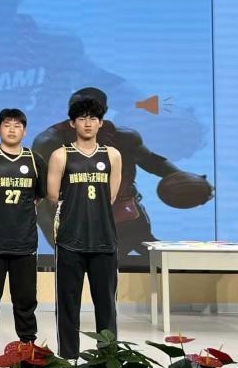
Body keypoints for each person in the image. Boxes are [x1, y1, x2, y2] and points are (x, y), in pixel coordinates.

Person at [33, 87, 212, 262]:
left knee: (152, 257)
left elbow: (151, 161)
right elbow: (39, 195)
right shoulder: (50, 141)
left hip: (125, 214)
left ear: (104, 110)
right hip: (78, 219)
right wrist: (56, 240)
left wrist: (194, 182)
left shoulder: (124, 137)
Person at [46, 96, 123, 360]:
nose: (87, 123)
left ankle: (108, 357)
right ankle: (69, 355)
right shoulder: (61, 155)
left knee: (106, 305)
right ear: (72, 123)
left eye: (93, 118)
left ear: (101, 123)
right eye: (82, 118)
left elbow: (111, 196)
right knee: (68, 304)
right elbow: (53, 195)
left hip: (104, 240)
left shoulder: (112, 155)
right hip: (70, 240)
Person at [0, 108, 46, 368]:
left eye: (17, 125)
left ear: (25, 131)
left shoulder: (35, 160)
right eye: (7, 125)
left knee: (25, 299)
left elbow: (38, 197)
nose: (12, 129)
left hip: (24, 242)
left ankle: (27, 346)